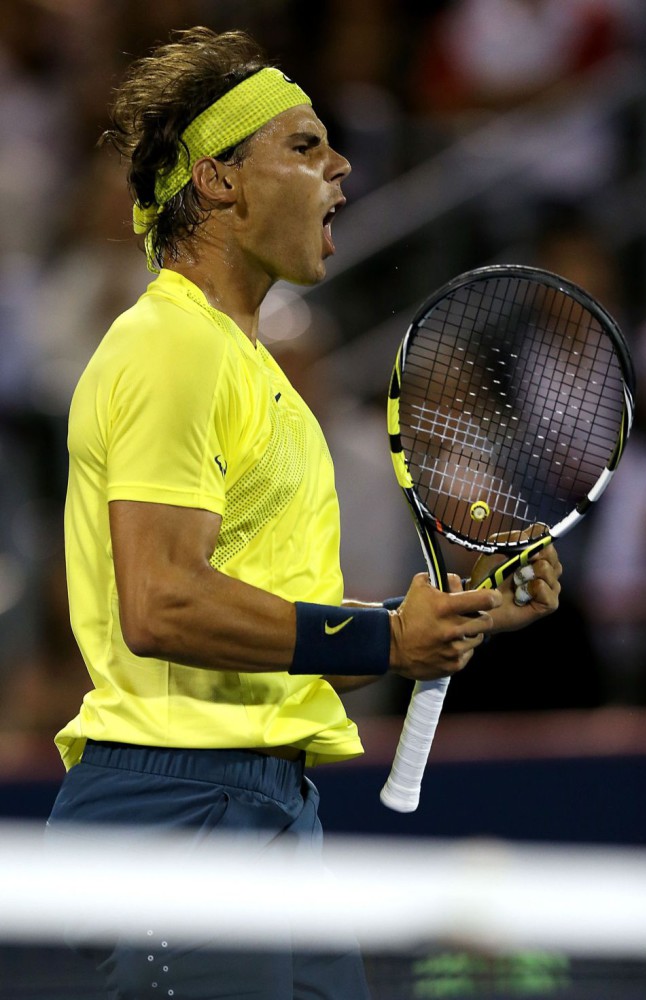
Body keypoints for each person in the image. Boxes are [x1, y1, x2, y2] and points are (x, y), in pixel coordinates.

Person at [45, 26, 562, 1000]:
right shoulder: (171, 349)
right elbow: (162, 603)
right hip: (180, 811)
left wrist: (463, 614)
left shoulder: (249, 369)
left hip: (266, 807)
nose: (343, 164)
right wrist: (380, 641)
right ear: (219, 182)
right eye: (304, 144)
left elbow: (264, 607)